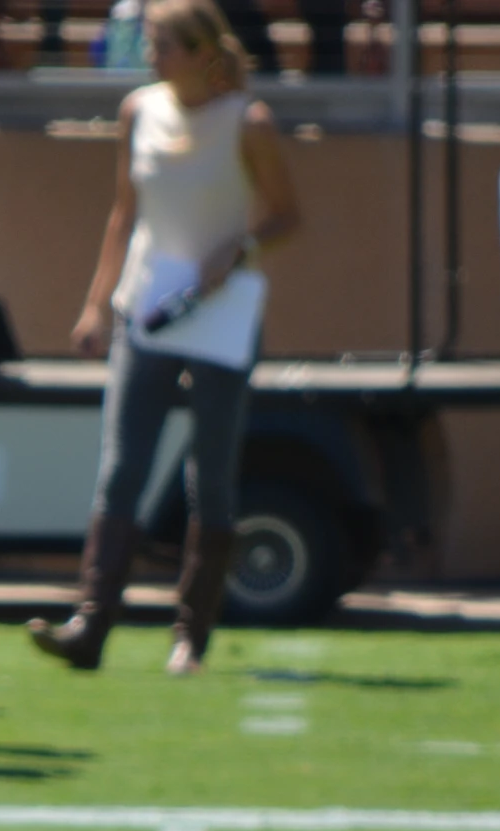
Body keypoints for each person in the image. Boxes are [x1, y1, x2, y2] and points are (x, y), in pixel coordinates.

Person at [28, 0, 298, 675]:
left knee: (212, 473)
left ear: (204, 52)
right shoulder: (138, 110)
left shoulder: (248, 121)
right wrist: (96, 306)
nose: (152, 56)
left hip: (222, 307)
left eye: (164, 44)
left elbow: (287, 215)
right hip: (147, 305)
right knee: (123, 464)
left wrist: (234, 253)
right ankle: (90, 624)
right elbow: (125, 213)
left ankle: (191, 636)